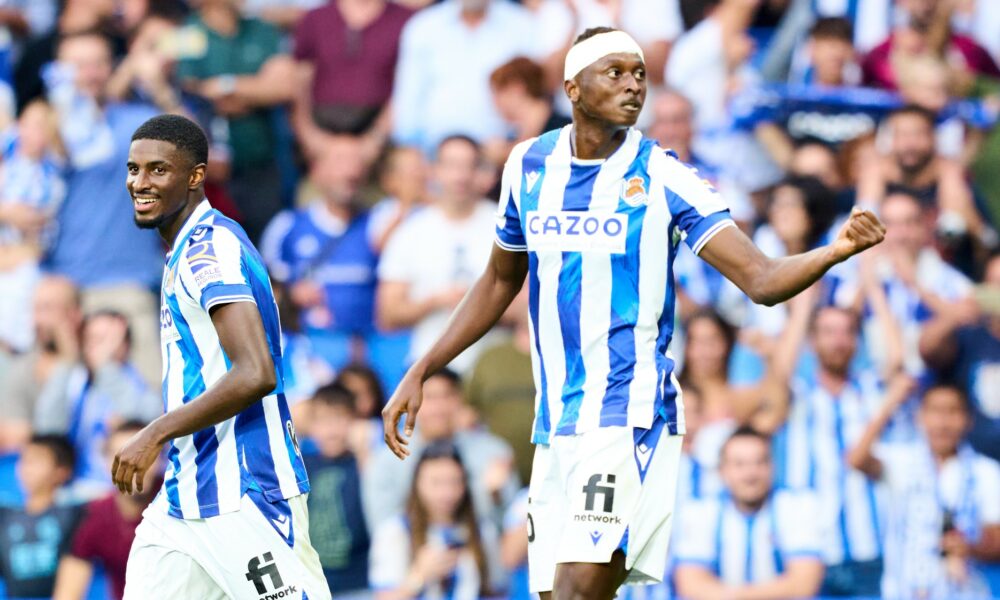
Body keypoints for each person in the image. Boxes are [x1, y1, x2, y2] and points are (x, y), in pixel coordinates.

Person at [381, 26, 885, 599]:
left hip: (630, 412)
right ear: (573, 87)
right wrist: (423, 367)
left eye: (640, 73)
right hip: (557, 421)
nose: (633, 85)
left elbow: (762, 280)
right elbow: (500, 278)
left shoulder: (665, 176)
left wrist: (835, 251)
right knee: (555, 593)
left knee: (575, 588)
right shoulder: (529, 165)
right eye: (615, 72)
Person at [111, 114, 329, 600]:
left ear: (195, 176)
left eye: (157, 170)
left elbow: (256, 372)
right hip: (184, 498)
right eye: (133, 169)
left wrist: (155, 432)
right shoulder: (184, 249)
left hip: (244, 490)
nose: (139, 183)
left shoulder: (207, 250)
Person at [42, 30, 163, 389]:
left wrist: (157, 84)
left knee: (147, 407)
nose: (90, 74)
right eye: (78, 65)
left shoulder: (136, 121)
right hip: (59, 288)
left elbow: (193, 148)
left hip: (125, 282)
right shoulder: (41, 125)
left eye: (98, 64)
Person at [774, 305, 890, 597]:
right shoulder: (795, 395)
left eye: (847, 332)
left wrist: (872, 286)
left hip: (871, 552)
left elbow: (898, 361)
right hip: (810, 554)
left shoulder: (873, 389)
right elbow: (780, 372)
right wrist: (804, 306)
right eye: (828, 332)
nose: (838, 341)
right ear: (812, 341)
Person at [849, 382, 1000, 598]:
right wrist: (889, 403)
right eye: (935, 411)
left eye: (952, 412)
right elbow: (857, 459)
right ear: (920, 416)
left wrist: (970, 548)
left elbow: (996, 540)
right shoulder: (901, 462)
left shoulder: (987, 471)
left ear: (968, 419)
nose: (943, 422)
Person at [377, 135, 502, 374]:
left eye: (469, 166)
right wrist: (435, 301)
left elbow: (530, 300)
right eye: (452, 166)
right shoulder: (410, 231)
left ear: (480, 172)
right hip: (429, 370)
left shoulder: (505, 224)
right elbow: (388, 313)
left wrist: (479, 303)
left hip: (493, 367)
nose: (461, 176)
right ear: (434, 171)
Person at [174, 0, 296, 243]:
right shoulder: (187, 34)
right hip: (212, 173)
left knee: (266, 250)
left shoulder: (262, 29)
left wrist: (225, 85)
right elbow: (191, 94)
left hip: (262, 163)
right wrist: (257, 90)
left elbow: (284, 87)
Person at [261, 135, 380, 369]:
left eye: (357, 163)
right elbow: (263, 293)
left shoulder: (380, 225)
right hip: (306, 352)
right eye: (340, 161)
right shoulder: (287, 227)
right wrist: (291, 294)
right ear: (316, 171)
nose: (350, 172)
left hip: (370, 351)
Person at [673, 427, 825, 599]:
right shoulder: (700, 512)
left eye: (759, 462)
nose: (750, 473)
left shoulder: (797, 506)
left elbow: (804, 584)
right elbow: (690, 584)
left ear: (772, 467)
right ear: (722, 471)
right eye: (740, 464)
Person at [365, 368, 519, 530]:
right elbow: (383, 528)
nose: (439, 408)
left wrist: (495, 496)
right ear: (407, 402)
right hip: (412, 552)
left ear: (461, 399)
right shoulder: (388, 458)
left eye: (447, 395)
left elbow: (511, 527)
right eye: (428, 397)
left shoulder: (494, 452)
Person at [33, 310, 160, 494]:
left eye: (104, 340)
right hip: (74, 490)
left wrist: (105, 368)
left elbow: (144, 419)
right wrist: (67, 362)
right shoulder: (75, 382)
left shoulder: (140, 384)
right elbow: (46, 428)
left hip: (121, 494)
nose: (95, 348)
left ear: (124, 344)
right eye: (90, 339)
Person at [390, 0, 542, 153]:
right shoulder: (424, 26)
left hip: (502, 157)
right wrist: (410, 150)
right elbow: (408, 99)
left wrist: (515, 147)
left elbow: (534, 98)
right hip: (433, 158)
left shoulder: (522, 24)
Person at [368, 441, 504, 598]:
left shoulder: (483, 531)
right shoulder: (395, 532)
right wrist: (418, 577)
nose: (446, 493)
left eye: (455, 482)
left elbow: (498, 591)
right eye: (436, 483)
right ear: (417, 484)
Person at [51, 421, 159, 600]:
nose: (134, 465)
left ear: (160, 458)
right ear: (105, 463)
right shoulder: (93, 516)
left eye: (144, 455)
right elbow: (67, 593)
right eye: (122, 458)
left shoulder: (182, 505)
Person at [291, 0, 411, 141]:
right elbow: (299, 83)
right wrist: (312, 138)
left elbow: (408, 87)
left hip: (383, 130)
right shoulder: (315, 19)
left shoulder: (406, 20)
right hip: (321, 127)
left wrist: (373, 141)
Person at [920, 251, 1000, 461]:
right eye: (996, 285)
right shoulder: (968, 335)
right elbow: (927, 351)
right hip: (974, 467)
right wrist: (953, 316)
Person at [0, 275, 82, 453]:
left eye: (48, 309)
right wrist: (67, 364)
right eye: (35, 310)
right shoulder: (23, 369)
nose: (38, 321)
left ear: (75, 313)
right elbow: (20, 436)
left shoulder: (96, 361)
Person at [303, 382, 370, 597]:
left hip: (358, 583)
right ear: (311, 426)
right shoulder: (303, 465)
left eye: (339, 419)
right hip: (313, 583)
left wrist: (363, 451)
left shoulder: (361, 462)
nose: (331, 430)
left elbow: (375, 500)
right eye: (323, 420)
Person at [0, 435, 82, 599]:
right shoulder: (4, 516)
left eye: (35, 461)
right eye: (24, 460)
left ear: (62, 471)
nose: (26, 468)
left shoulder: (75, 514)